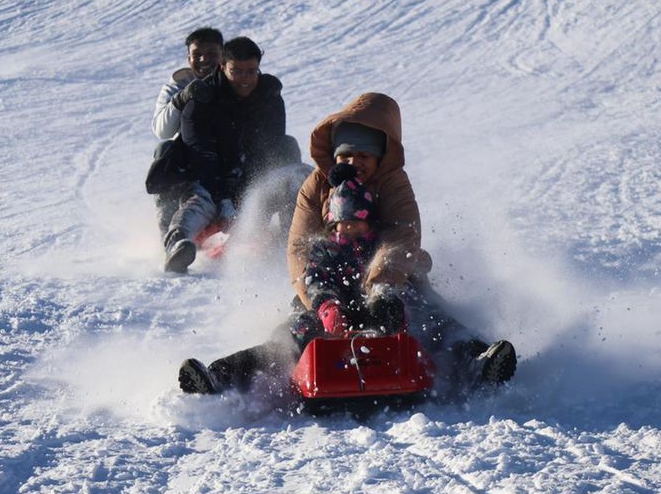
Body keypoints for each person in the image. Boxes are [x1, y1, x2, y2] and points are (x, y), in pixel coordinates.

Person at [177, 94, 517, 396]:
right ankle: (221, 377)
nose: (355, 162)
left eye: (364, 155)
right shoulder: (315, 186)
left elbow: (404, 235)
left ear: (382, 154)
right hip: (327, 282)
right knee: (291, 336)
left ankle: (478, 362)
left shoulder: (394, 184)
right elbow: (298, 248)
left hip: (395, 281)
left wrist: (383, 287)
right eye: (347, 155)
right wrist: (322, 302)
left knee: (435, 321)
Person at [156, 37, 293, 273]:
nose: (245, 79)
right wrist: (224, 199)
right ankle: (178, 244)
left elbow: (270, 149)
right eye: (237, 71)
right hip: (207, 178)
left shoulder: (268, 97)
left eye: (251, 71)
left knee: (289, 161)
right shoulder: (201, 99)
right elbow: (201, 154)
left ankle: (291, 240)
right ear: (223, 66)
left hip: (249, 177)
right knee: (199, 204)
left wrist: (247, 195)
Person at [148, 28, 225, 233]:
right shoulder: (176, 86)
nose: (203, 59)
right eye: (197, 54)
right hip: (189, 157)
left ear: (222, 55)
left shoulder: (234, 80)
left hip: (228, 152)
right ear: (188, 57)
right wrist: (180, 99)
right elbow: (162, 130)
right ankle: (170, 232)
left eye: (211, 54)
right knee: (164, 151)